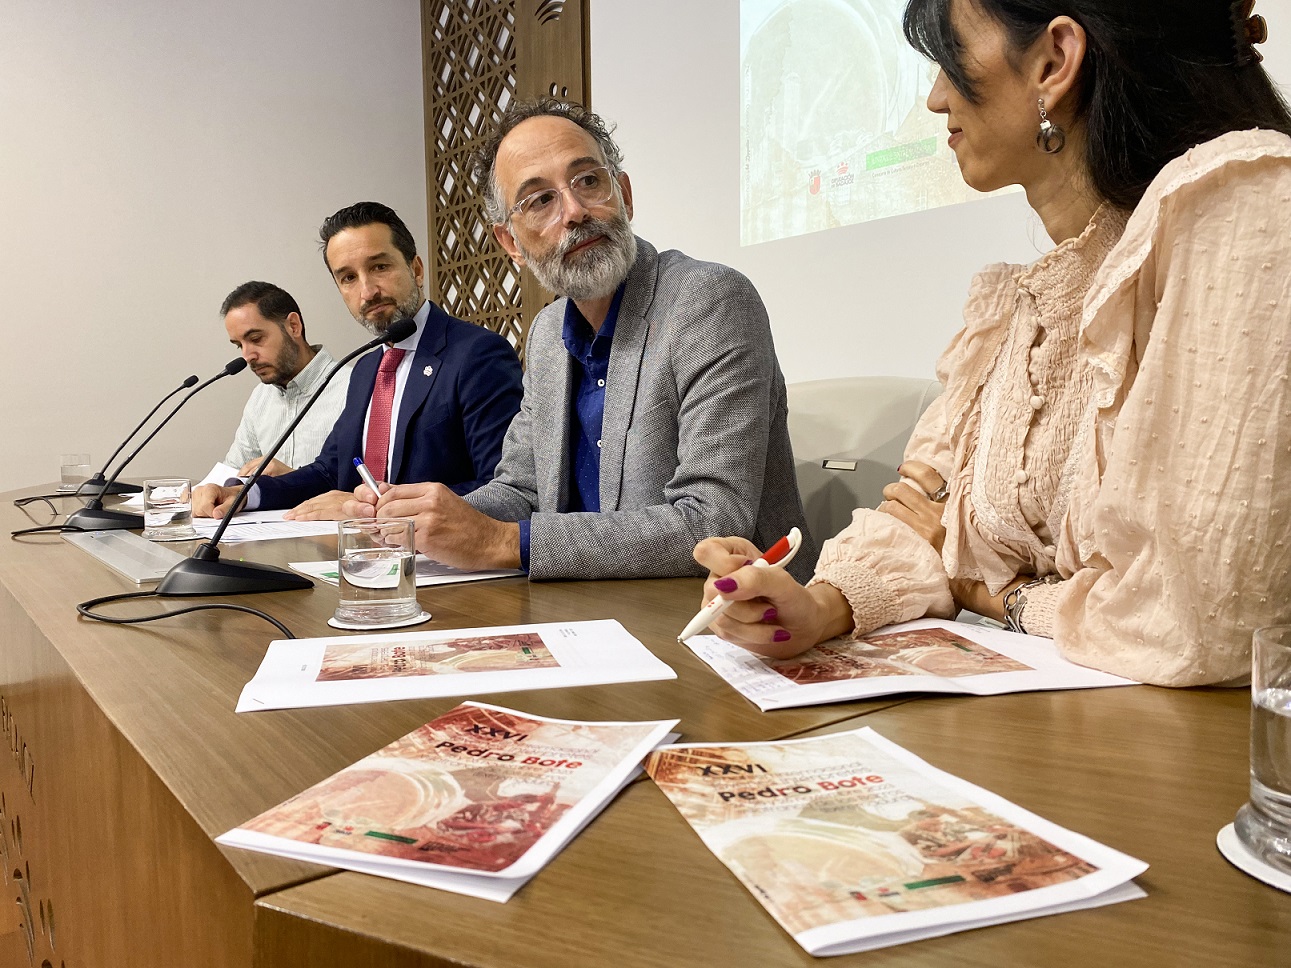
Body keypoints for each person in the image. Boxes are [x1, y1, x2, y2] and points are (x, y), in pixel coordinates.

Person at [694, 0, 1291, 686]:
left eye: (949, 60)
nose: (933, 97)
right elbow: (918, 521)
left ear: (1053, 61)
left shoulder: (1243, 196)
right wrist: (813, 607)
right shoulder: (1014, 308)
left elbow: (1200, 622)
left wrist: (1003, 599)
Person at [347, 99, 815, 580]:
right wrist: (423, 517)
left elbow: (713, 520)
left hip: (731, 617)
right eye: (540, 201)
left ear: (625, 195)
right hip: (589, 609)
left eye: (589, 181)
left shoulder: (708, 300)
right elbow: (521, 491)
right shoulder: (549, 334)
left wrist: (504, 542)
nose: (573, 211)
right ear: (511, 243)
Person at [194, 202, 523, 520]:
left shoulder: (478, 354)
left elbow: (502, 490)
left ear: (417, 270)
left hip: (444, 564)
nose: (367, 292)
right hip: (365, 558)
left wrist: (371, 509)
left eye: (380, 267)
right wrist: (247, 494)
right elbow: (328, 471)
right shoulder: (367, 368)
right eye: (348, 278)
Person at [219, 280, 351, 477]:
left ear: (293, 326)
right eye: (239, 345)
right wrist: (211, 489)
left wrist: (292, 482)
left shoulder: (353, 388)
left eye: (256, 339)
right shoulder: (260, 398)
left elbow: (368, 483)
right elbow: (233, 472)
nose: (247, 356)